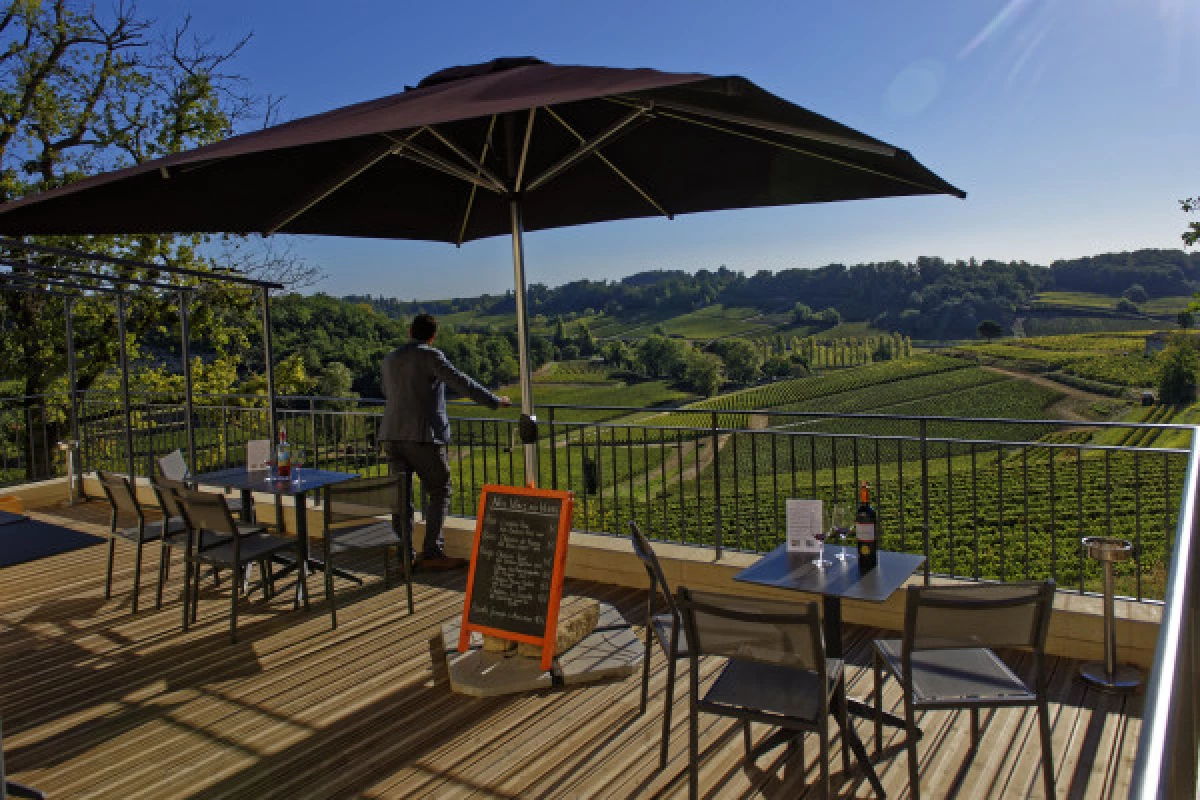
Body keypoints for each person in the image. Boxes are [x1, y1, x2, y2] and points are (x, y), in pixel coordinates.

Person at [380, 313, 511, 570]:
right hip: (421, 436)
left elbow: (389, 393)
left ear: (409, 332)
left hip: (391, 435)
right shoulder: (430, 356)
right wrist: (494, 401)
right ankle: (432, 552)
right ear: (432, 336)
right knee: (440, 490)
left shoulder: (390, 359)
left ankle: (404, 557)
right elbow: (461, 383)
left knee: (401, 498)